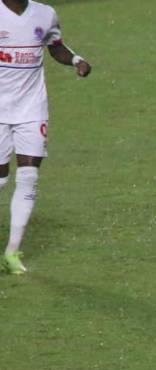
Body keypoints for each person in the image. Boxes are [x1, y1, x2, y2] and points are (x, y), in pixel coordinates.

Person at [0, 0, 90, 276]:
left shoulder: (45, 13)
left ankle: (12, 252)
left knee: (29, 177)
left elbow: (56, 46)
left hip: (32, 109)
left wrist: (76, 60)